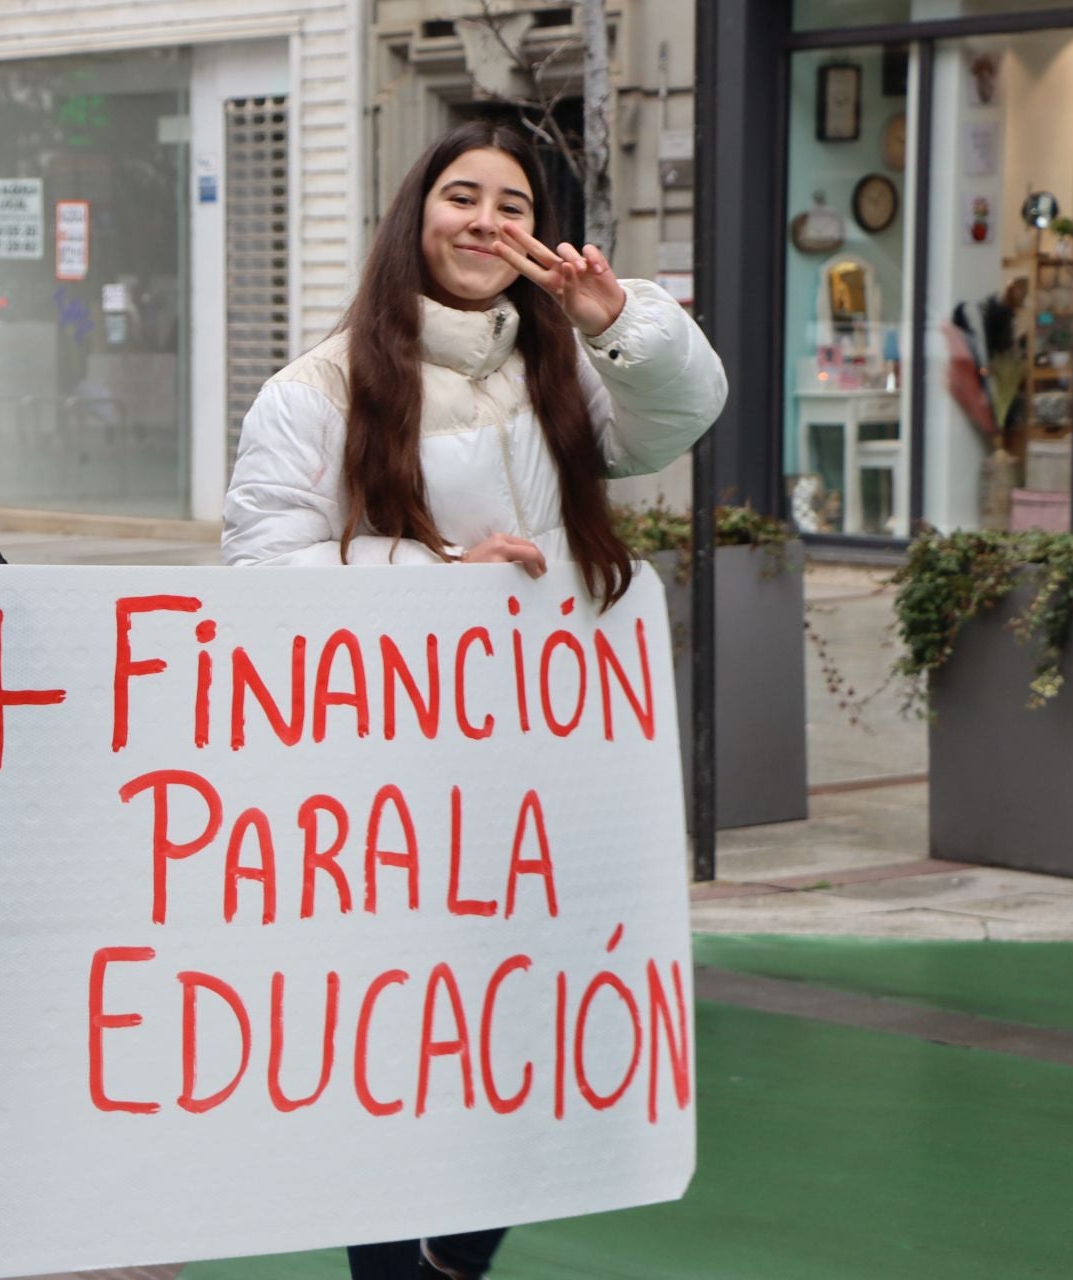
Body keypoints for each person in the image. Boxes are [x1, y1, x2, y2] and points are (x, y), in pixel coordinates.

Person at [222, 121, 727, 1280]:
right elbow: (258, 569)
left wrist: (620, 326)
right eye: (463, 194)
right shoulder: (322, 385)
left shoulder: (561, 367)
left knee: (520, 1029)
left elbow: (680, 416)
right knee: (400, 1040)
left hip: (541, 772)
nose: (486, 220)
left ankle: (458, 1254)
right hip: (388, 785)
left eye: (513, 202)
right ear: (417, 214)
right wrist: (436, 586)